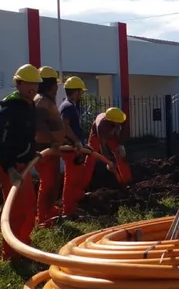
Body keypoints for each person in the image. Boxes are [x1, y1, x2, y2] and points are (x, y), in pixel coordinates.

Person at [0, 64, 40, 260]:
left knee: (29, 208)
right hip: (11, 168)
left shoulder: (30, 104)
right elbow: (2, 142)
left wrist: (34, 153)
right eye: (28, 83)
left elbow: (27, 136)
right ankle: (11, 253)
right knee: (14, 212)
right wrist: (10, 168)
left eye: (36, 84)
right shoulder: (10, 109)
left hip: (24, 166)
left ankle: (23, 244)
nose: (33, 87)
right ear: (19, 84)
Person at [33, 66, 64, 227]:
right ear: (50, 85)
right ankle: (43, 217)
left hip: (52, 149)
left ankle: (48, 210)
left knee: (52, 182)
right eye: (55, 84)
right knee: (48, 183)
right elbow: (38, 125)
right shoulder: (41, 102)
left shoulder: (45, 101)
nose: (57, 88)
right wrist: (53, 142)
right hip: (46, 150)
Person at [58, 76, 92, 216]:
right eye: (80, 92)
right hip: (71, 148)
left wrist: (83, 145)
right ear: (76, 91)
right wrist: (76, 142)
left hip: (75, 147)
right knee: (71, 180)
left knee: (76, 177)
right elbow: (65, 126)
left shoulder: (68, 105)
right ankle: (69, 211)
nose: (81, 94)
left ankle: (76, 201)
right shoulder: (69, 107)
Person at [86, 107, 131, 185]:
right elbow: (103, 147)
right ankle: (84, 184)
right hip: (96, 135)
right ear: (110, 120)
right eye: (118, 122)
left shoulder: (121, 119)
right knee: (90, 157)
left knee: (121, 157)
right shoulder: (101, 126)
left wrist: (120, 144)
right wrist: (108, 162)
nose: (120, 123)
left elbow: (124, 131)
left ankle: (127, 181)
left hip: (112, 135)